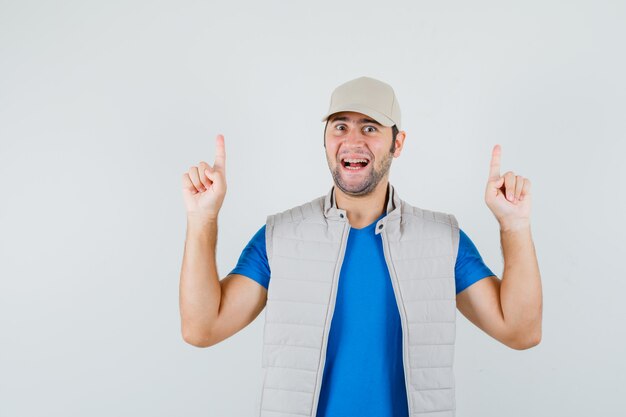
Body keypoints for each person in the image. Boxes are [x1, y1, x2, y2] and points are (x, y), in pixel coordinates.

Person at [179, 76, 543, 417]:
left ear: (397, 144)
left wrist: (514, 225)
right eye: (340, 126)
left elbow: (520, 331)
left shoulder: (440, 239)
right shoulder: (281, 236)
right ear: (325, 139)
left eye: (370, 127)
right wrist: (202, 219)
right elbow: (202, 328)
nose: (353, 141)